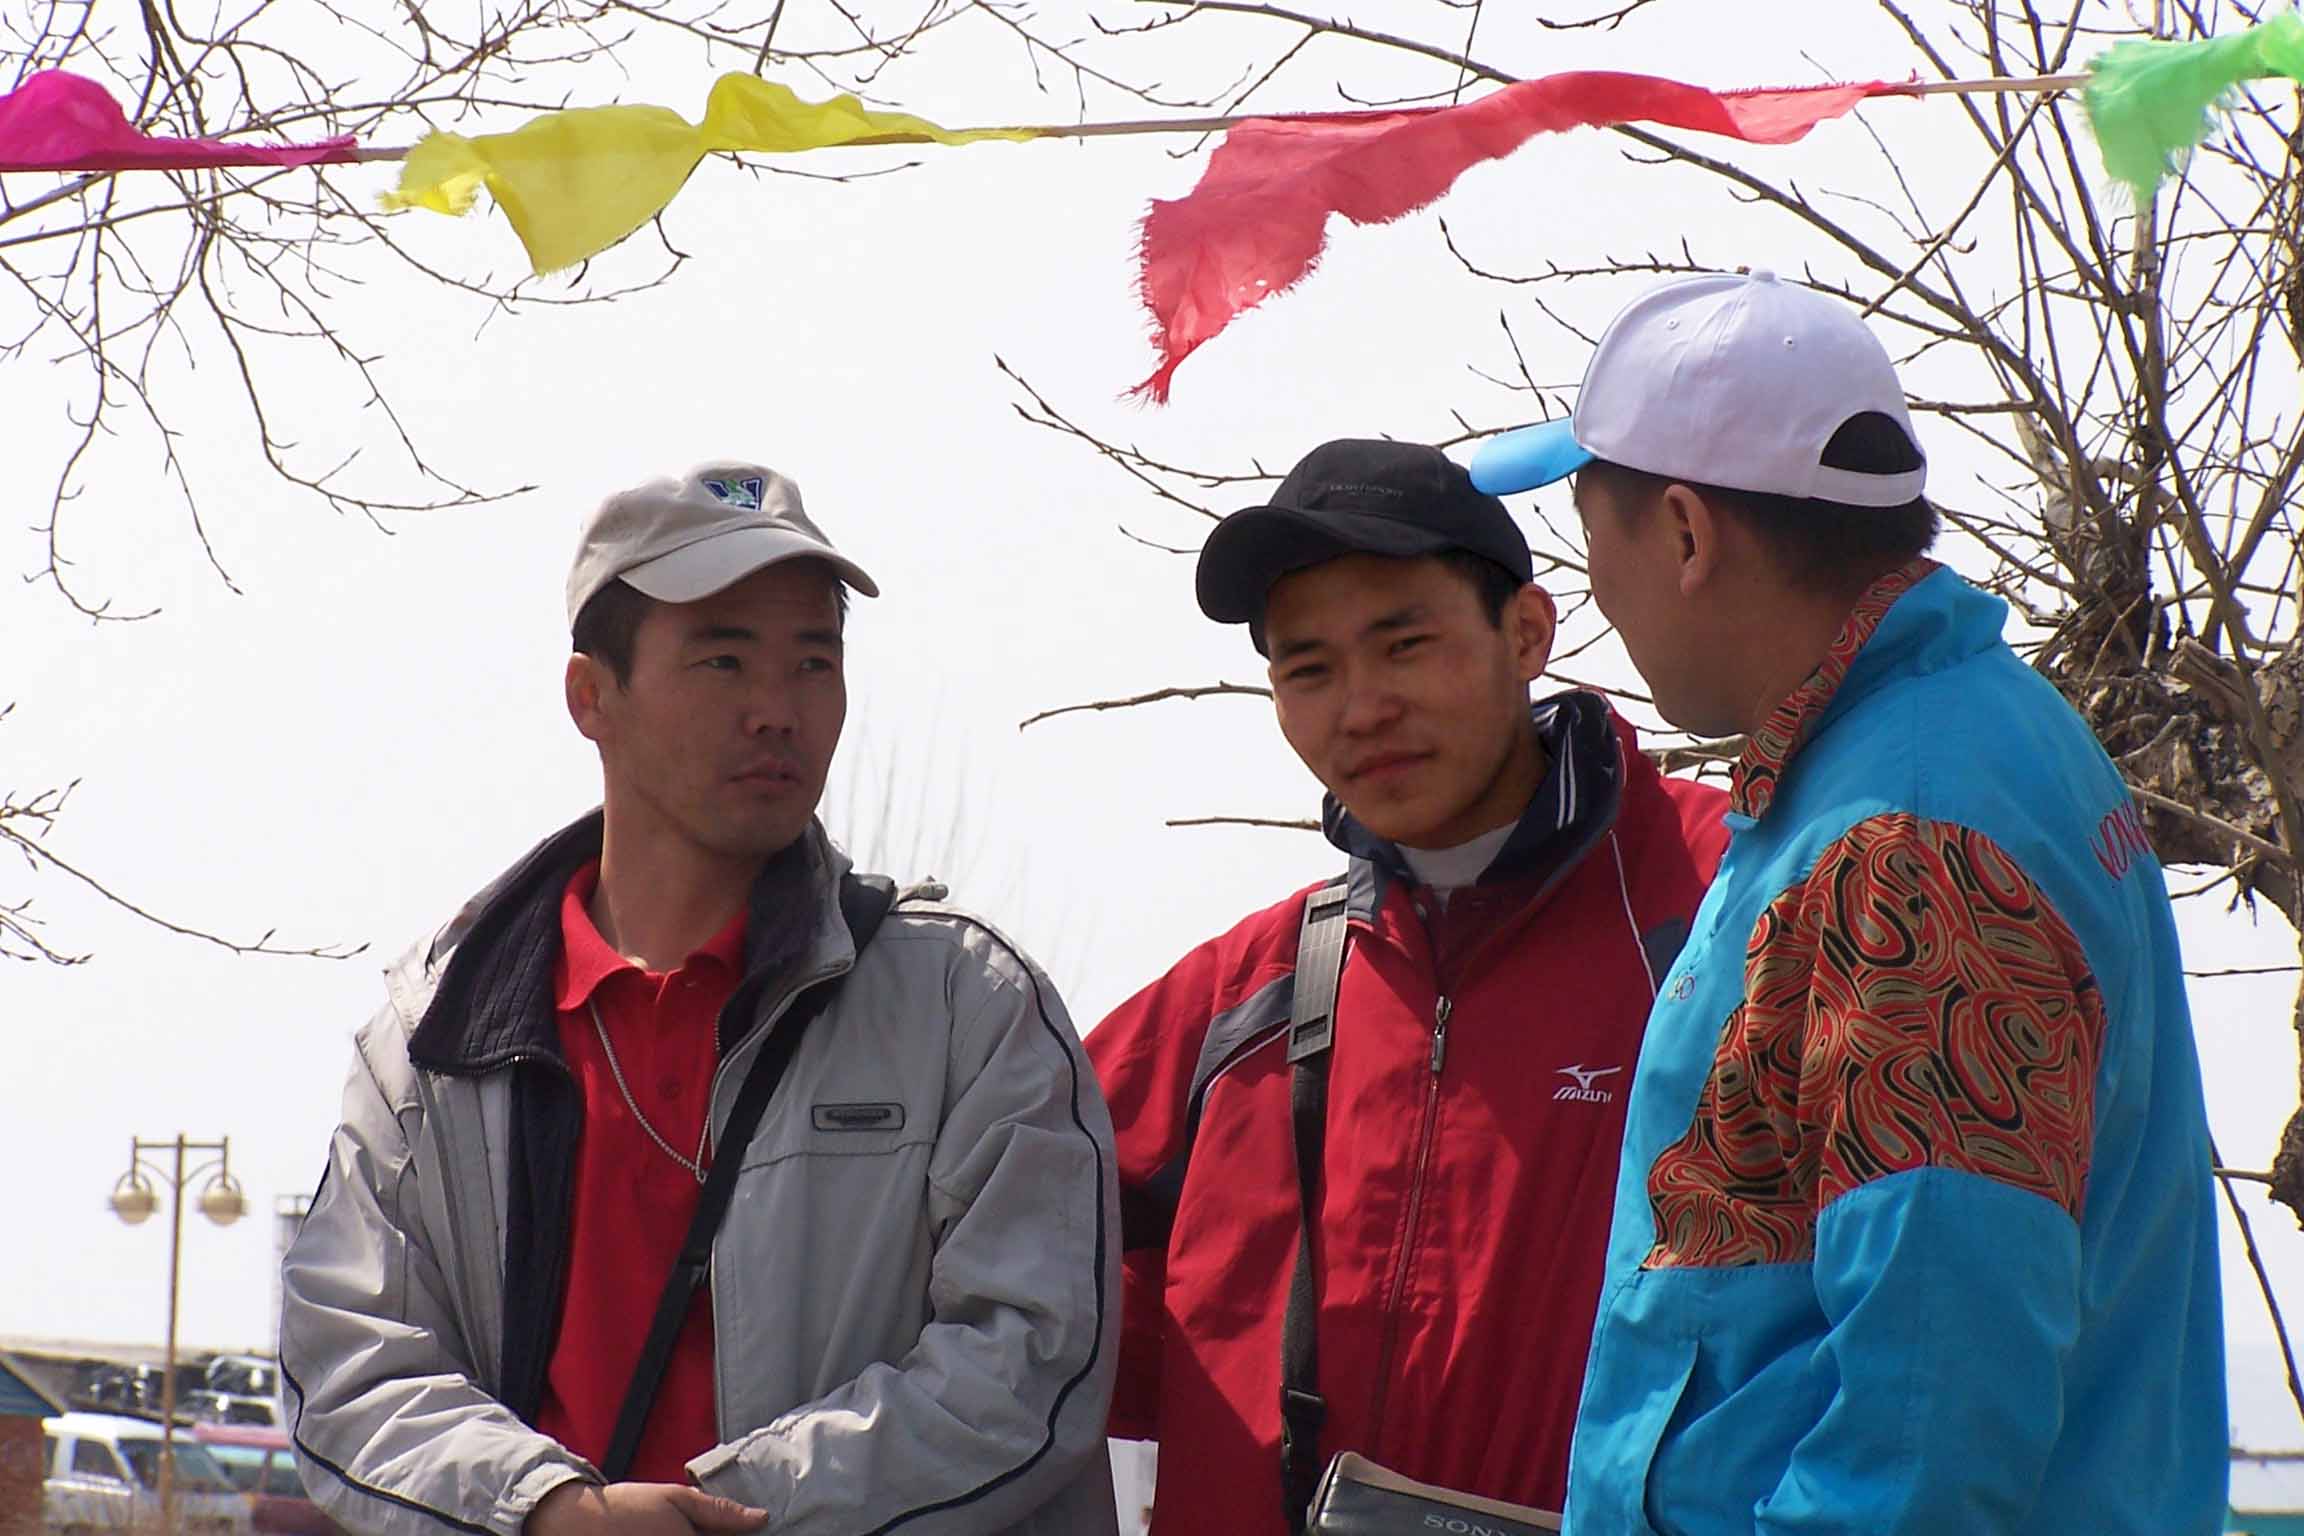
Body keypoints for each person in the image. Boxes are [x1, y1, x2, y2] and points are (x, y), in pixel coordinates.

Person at [1470, 269, 2228, 1535]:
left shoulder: (1905, 845)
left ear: (1686, 534)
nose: (1592, 584)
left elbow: (1930, 1415)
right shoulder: (1935, 750)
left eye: (1590, 533)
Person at [280, 463, 1120, 1536]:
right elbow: (351, 1363)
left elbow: (1033, 1357)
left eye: (814, 662)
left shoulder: (970, 1007)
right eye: (723, 660)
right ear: (592, 697)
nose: (778, 711)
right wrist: (549, 1511)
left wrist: (727, 1516)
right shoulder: (435, 1040)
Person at [1088, 439, 1729, 1534]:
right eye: (1309, 670)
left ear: (1527, 633)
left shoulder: (1722, 899)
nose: (1362, 709)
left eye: (1405, 645)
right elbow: (992, 1271)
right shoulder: (1251, 991)